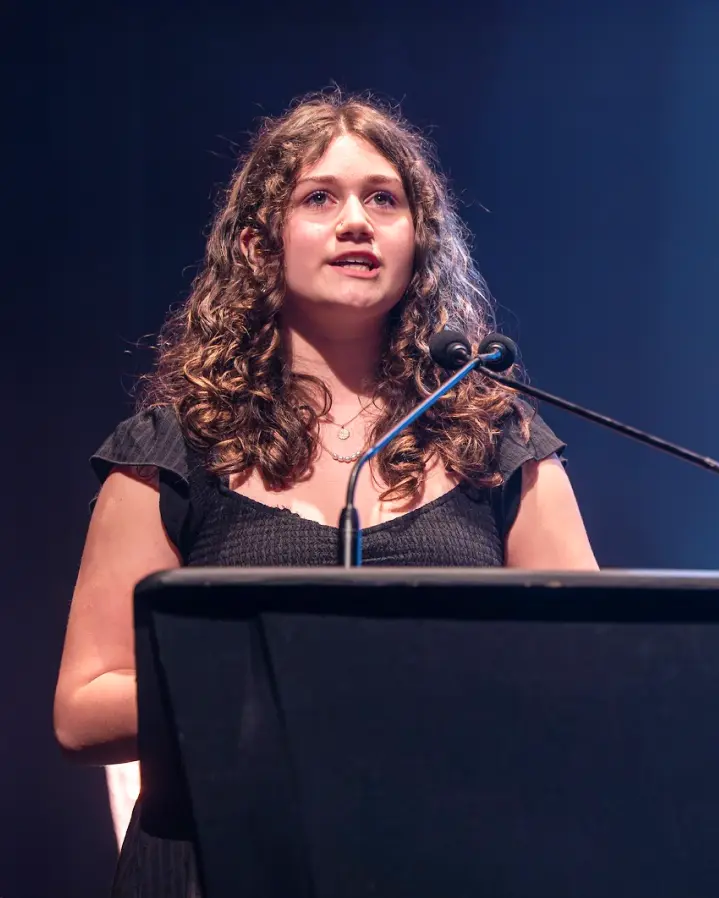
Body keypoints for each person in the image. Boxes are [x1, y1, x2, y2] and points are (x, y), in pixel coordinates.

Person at [53, 89, 599, 897]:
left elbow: (592, 663)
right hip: (218, 862)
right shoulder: (172, 450)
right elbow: (84, 707)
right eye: (320, 198)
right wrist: (278, 688)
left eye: (383, 199)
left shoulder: (496, 442)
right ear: (258, 245)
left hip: (448, 856)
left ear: (418, 243)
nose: (357, 222)